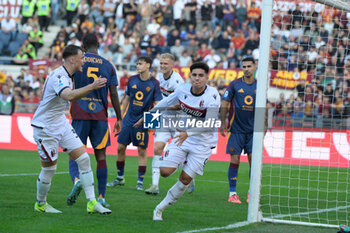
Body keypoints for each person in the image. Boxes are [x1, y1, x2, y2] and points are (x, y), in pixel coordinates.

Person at [135, 62, 221, 221]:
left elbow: (209, 123)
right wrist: (146, 116)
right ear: (190, 76)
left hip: (202, 143)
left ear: (207, 77)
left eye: (201, 75)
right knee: (164, 172)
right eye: (194, 75)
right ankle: (186, 162)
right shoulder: (182, 90)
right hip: (183, 137)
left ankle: (159, 209)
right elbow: (165, 103)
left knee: (185, 180)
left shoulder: (213, 95)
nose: (197, 78)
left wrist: (188, 133)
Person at [31, 45, 111, 214]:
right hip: (45, 128)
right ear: (73, 59)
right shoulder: (59, 75)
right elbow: (69, 95)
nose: (84, 61)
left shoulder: (69, 75)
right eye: (82, 57)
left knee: (84, 159)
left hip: (61, 123)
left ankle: (92, 203)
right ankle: (40, 204)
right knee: (49, 169)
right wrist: (92, 86)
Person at [66, 34, 122, 208]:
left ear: (83, 46)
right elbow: (113, 94)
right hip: (99, 115)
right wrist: (119, 118)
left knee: (75, 154)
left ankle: (77, 180)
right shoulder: (108, 65)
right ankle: (101, 197)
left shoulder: (78, 62)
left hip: (79, 112)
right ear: (98, 44)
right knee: (101, 156)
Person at [107, 56, 162, 191]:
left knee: (142, 151)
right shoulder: (132, 80)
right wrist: (120, 117)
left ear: (148, 65)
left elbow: (157, 105)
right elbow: (126, 98)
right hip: (128, 119)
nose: (137, 66)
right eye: (137, 64)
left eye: (140, 64)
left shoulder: (154, 83)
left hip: (143, 121)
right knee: (120, 147)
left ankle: (140, 181)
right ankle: (120, 178)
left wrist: (152, 123)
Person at [144, 53, 184, 195]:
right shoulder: (160, 77)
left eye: (165, 64)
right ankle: (155, 185)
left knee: (183, 151)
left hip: (179, 120)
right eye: (161, 63)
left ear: (172, 65)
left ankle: (189, 178)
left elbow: (183, 103)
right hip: (165, 119)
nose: (162, 66)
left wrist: (167, 107)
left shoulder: (177, 81)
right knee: (157, 148)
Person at [219, 56, 257, 204]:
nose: (246, 69)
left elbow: (265, 108)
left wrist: (264, 126)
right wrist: (223, 122)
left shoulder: (259, 86)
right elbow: (225, 102)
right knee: (235, 159)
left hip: (254, 131)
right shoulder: (235, 84)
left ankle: (251, 193)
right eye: (244, 66)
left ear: (254, 67)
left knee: (253, 162)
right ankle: (232, 193)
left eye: (249, 66)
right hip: (236, 129)